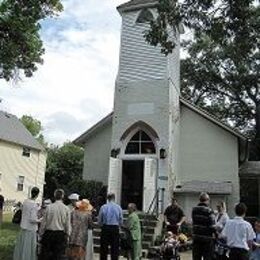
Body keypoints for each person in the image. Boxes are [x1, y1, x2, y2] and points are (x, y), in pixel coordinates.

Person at [39, 189, 71, 260]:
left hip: (49, 234)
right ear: (63, 196)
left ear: (54, 196)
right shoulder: (66, 209)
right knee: (57, 256)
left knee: (46, 256)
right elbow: (67, 224)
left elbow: (44, 222)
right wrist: (68, 235)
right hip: (60, 234)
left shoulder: (49, 207)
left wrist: (41, 233)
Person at [13, 187, 41, 260]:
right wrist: (40, 220)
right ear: (37, 194)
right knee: (28, 247)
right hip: (30, 228)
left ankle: (20, 257)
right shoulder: (34, 204)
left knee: (22, 245)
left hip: (23, 226)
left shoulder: (25, 201)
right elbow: (32, 219)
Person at [98, 193, 123, 260]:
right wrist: (119, 227)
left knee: (104, 247)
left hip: (106, 227)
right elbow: (121, 219)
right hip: (115, 227)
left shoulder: (103, 207)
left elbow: (100, 219)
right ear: (114, 198)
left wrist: (101, 225)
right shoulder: (118, 207)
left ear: (107, 198)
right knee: (115, 248)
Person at [192, 192, 216, 260]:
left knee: (196, 257)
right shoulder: (209, 210)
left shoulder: (194, 209)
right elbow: (212, 226)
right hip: (207, 239)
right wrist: (216, 234)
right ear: (207, 200)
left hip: (196, 237)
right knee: (207, 257)